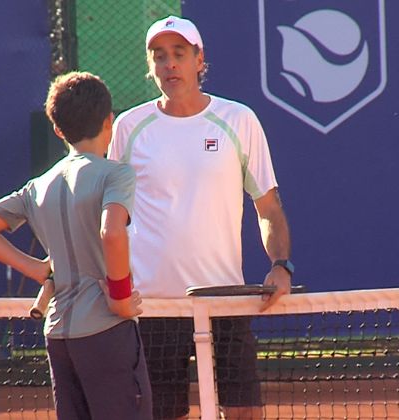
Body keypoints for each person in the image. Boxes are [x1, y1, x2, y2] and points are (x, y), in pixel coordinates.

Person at [108, 15, 294, 420]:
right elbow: (112, 219)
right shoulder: (129, 127)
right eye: (159, 57)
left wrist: (280, 265)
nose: (169, 65)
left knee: (245, 413)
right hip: (155, 306)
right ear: (151, 65)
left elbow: (269, 207)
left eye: (178, 54)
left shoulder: (238, 120)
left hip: (225, 300)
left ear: (199, 59)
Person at [0, 71, 152, 419]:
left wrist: (37, 269)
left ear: (58, 130)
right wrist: (121, 299)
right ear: (109, 121)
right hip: (106, 332)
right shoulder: (116, 173)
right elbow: (111, 233)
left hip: (59, 338)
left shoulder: (37, 187)